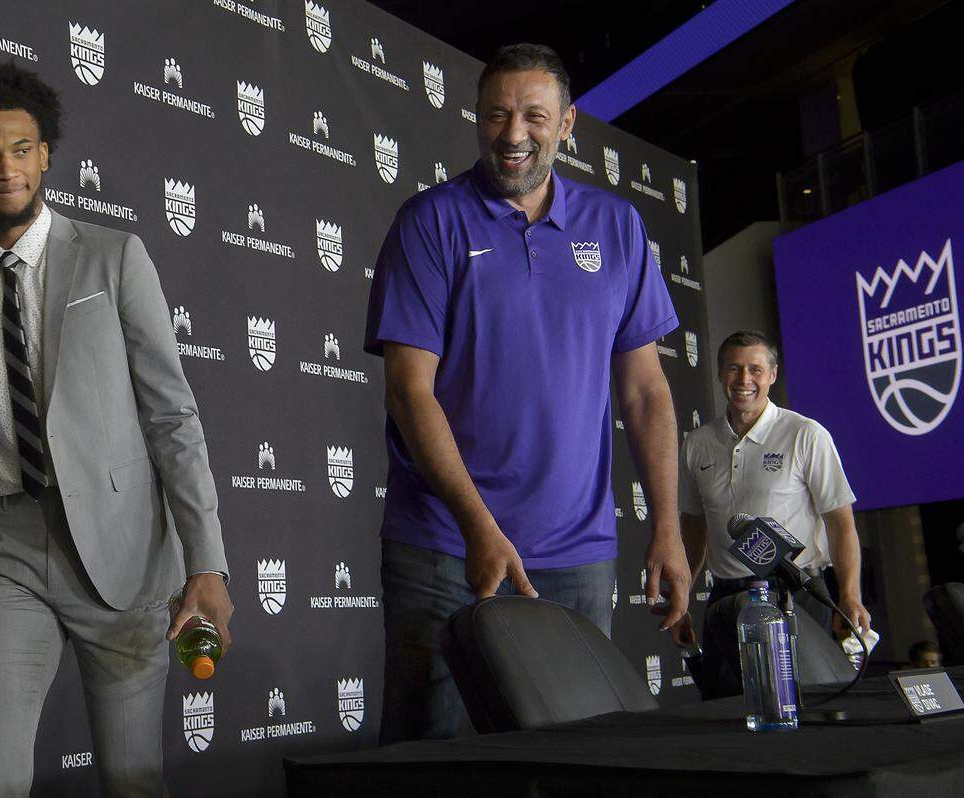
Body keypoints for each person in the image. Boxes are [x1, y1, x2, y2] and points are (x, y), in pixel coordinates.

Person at [0, 62, 232, 797]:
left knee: (132, 781)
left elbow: (172, 417)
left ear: (47, 153)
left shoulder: (117, 258)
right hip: (3, 554)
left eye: (22, 148)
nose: (7, 169)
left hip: (121, 554)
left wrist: (206, 562)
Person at [364, 43, 690, 743]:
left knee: (575, 758)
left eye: (534, 116)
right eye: (496, 115)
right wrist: (480, 527)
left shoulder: (619, 228)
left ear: (567, 123)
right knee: (427, 762)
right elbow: (409, 392)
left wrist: (667, 527)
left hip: (577, 554)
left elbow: (645, 394)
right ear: (477, 119)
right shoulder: (430, 221)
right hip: (444, 549)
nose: (513, 134)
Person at [674, 330, 869, 693]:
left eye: (755, 370)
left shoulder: (806, 434)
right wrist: (681, 594)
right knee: (725, 708)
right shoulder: (697, 444)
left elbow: (841, 522)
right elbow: (694, 525)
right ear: (720, 374)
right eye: (734, 369)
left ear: (772, 374)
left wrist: (850, 595)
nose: (744, 380)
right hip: (727, 598)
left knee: (805, 707)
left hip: (796, 595)